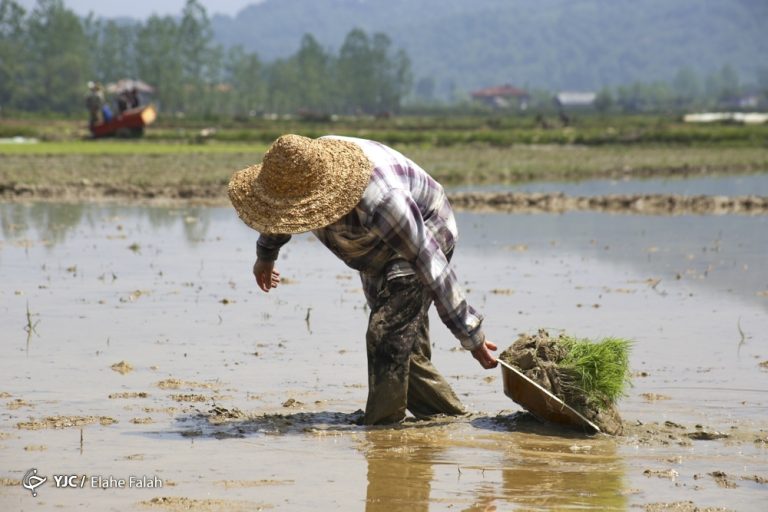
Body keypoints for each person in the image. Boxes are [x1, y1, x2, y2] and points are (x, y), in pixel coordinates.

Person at [228, 134, 498, 425]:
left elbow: (428, 261)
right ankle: (448, 421)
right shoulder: (299, 168)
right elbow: (282, 209)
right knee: (404, 344)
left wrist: (470, 334)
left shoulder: (381, 200)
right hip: (369, 246)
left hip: (424, 229)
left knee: (386, 334)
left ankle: (385, 431)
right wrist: (266, 254)